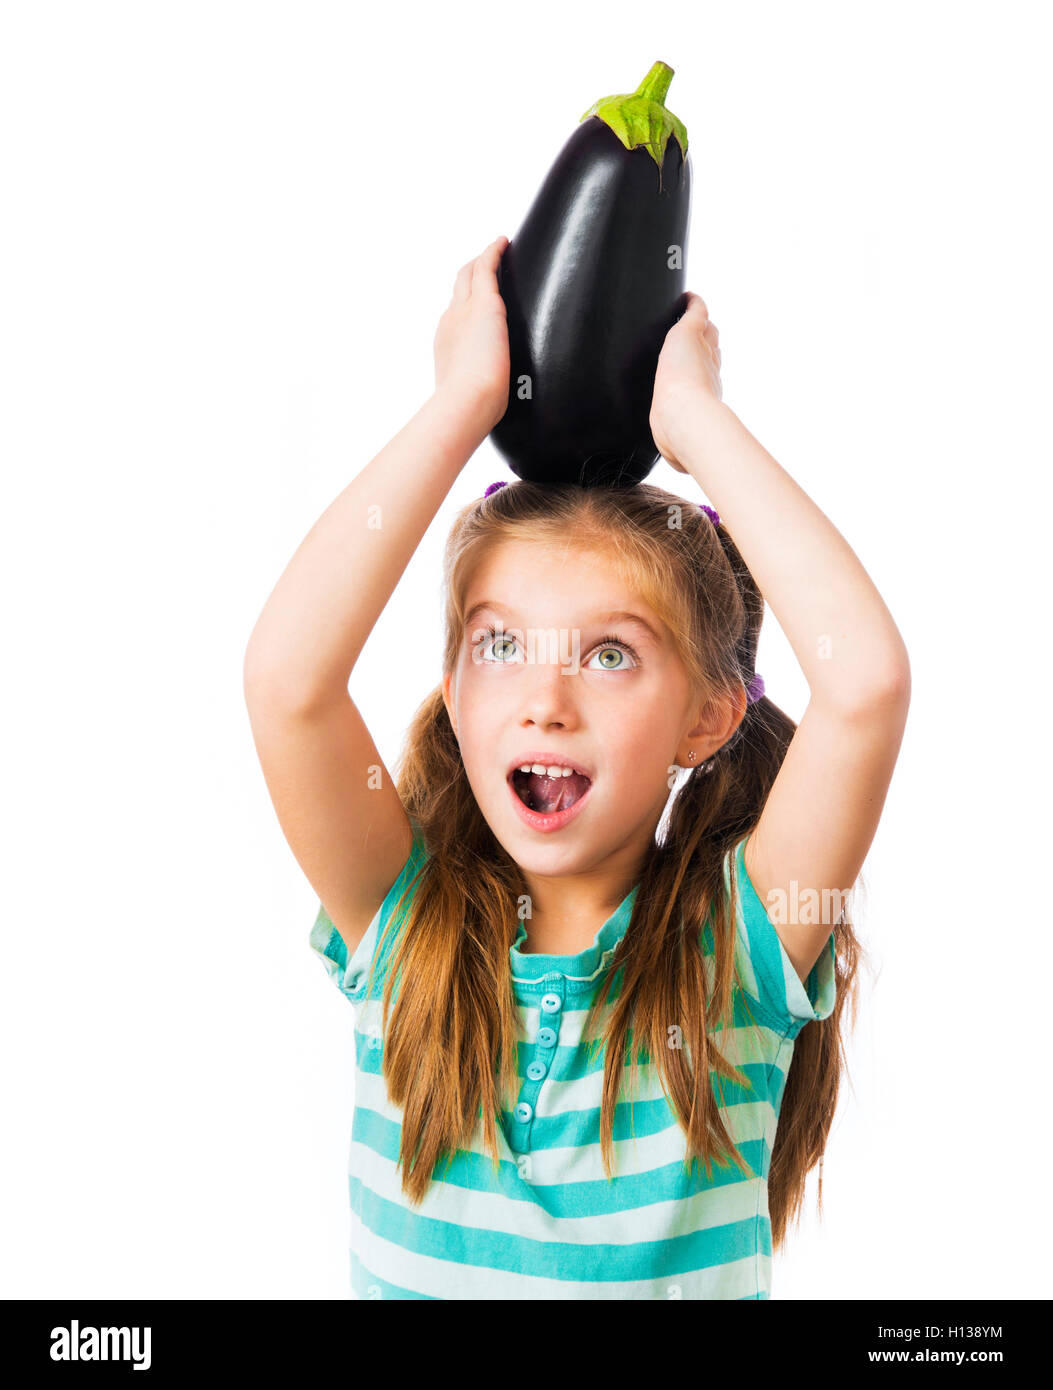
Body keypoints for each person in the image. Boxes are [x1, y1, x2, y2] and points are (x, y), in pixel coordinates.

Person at [243, 235, 911, 1299]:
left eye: (609, 655)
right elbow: (288, 681)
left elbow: (864, 681)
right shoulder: (401, 926)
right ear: (455, 692)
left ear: (708, 716)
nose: (544, 698)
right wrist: (462, 402)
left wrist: (695, 420)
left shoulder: (735, 958)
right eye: (500, 644)